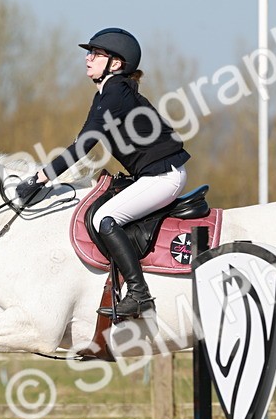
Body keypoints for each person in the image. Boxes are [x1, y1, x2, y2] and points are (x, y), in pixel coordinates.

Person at [16, 28, 191, 318]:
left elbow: (84, 145)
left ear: (116, 63)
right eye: (89, 53)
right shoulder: (107, 94)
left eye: (96, 54)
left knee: (103, 218)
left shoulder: (115, 93)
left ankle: (139, 293)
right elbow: (82, 140)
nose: (88, 58)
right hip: (153, 175)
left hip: (163, 177)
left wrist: (41, 178)